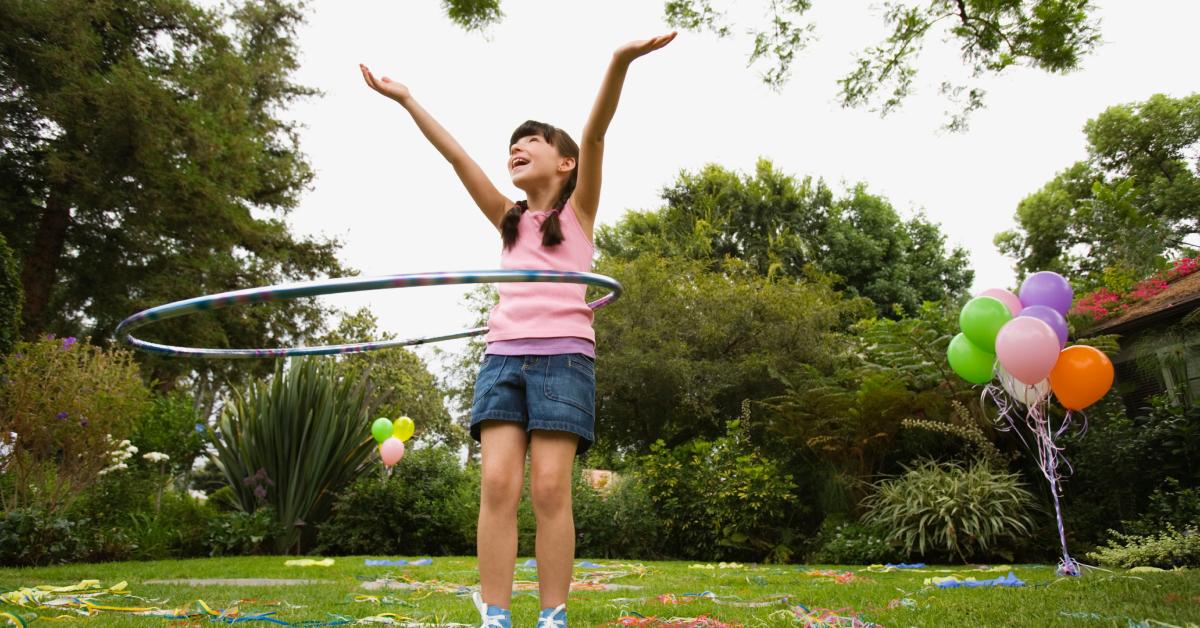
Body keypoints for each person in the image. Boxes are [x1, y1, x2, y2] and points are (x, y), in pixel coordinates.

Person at [360, 31, 675, 628]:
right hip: (502, 358)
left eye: (532, 141)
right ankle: (496, 614)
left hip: (563, 360)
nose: (517, 147)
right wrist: (406, 99)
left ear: (565, 163)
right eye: (512, 144)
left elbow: (597, 132)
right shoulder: (507, 219)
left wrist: (617, 61)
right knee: (498, 487)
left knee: (552, 490)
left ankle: (552, 615)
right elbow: (458, 158)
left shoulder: (577, 212)